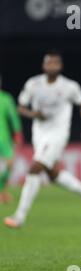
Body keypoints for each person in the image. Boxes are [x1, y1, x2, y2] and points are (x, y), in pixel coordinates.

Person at [4, 50, 81, 228]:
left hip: (58, 133)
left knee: (35, 168)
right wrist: (33, 114)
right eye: (49, 63)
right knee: (52, 174)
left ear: (60, 66)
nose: (52, 66)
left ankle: (20, 216)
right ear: (43, 65)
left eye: (55, 63)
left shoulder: (69, 86)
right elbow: (21, 107)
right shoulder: (33, 84)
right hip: (39, 134)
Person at [0, 74, 23, 203]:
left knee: (10, 164)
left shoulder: (6, 98)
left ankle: (2, 191)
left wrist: (17, 133)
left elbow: (13, 117)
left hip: (3, 138)